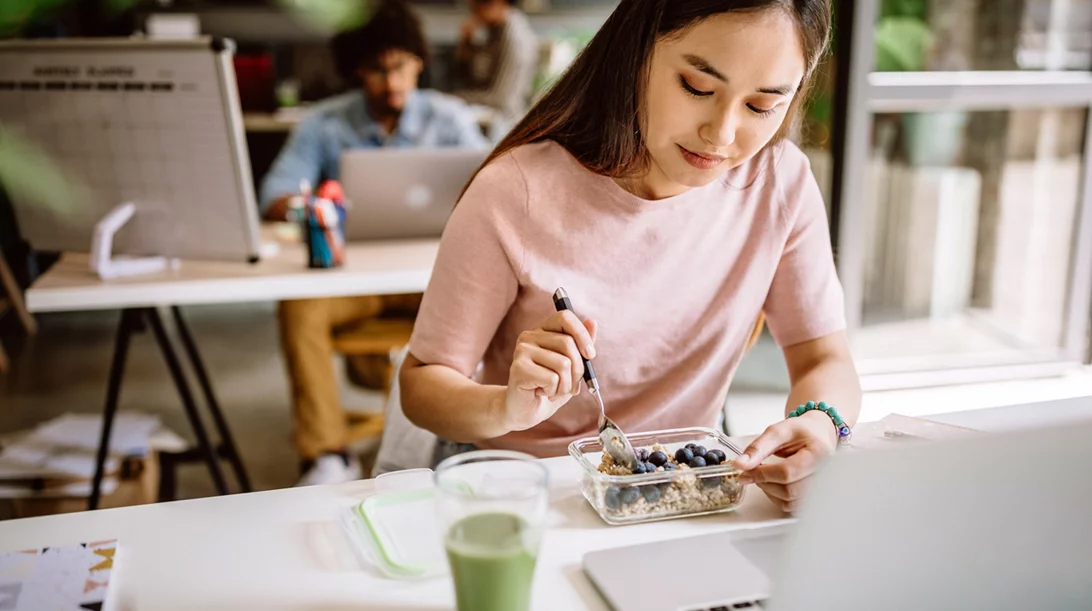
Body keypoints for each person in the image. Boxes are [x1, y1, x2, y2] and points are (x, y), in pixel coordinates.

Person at [400, 0, 861, 513]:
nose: (722, 134)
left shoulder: (781, 182)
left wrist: (821, 426)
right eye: (698, 88)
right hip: (522, 489)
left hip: (684, 486)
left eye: (762, 106)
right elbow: (421, 387)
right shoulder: (516, 190)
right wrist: (506, 405)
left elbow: (824, 358)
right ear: (637, 52)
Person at [261, 0, 488, 487]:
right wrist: (313, 205)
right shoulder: (324, 124)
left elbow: (497, 187)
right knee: (299, 306)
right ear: (355, 71)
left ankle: (462, 438)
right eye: (377, 71)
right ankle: (325, 455)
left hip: (432, 281)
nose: (392, 83)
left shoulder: (449, 120)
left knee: (489, 300)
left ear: (420, 62)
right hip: (353, 282)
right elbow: (273, 197)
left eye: (401, 67)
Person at [453, 0, 539, 125]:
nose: (472, 13)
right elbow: (471, 78)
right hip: (485, 114)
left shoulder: (513, 37)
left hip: (503, 123)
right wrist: (467, 44)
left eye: (475, 7)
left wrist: (453, 98)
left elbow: (501, 100)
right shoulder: (495, 30)